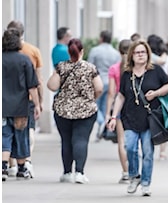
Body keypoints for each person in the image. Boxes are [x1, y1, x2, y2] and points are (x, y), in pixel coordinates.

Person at [107, 40, 168, 196]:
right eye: (137, 52)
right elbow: (121, 96)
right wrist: (113, 116)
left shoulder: (155, 70)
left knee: (148, 152)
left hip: (150, 119)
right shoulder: (126, 74)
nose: (140, 55)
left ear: (148, 54)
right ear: (131, 55)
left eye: (143, 52)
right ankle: (134, 175)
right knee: (130, 147)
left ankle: (145, 183)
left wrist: (156, 93)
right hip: (130, 118)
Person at [47, 38, 103, 184]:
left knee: (66, 140)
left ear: (69, 51)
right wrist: (92, 99)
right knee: (81, 140)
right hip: (86, 110)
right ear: (82, 51)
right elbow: (99, 88)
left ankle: (66, 173)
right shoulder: (90, 68)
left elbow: (52, 86)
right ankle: (79, 172)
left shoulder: (61, 67)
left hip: (63, 110)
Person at [6, 20, 44, 178]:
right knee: (24, 133)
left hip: (4, 103)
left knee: (5, 133)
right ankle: (24, 164)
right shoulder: (29, 55)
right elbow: (35, 82)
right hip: (23, 103)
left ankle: (7, 166)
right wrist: (38, 103)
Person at [147, 34, 168, 160]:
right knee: (164, 121)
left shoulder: (148, 58)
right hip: (166, 91)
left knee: (149, 119)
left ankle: (146, 147)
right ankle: (163, 152)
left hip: (150, 91)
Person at [105, 39, 132, 184]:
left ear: (119, 51)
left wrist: (109, 113)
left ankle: (126, 172)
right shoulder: (135, 68)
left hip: (119, 106)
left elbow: (111, 93)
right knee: (134, 140)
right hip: (134, 106)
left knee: (122, 141)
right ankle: (134, 170)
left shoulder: (114, 69)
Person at [87, 30, 121, 140]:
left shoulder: (95, 51)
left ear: (101, 38)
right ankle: (102, 128)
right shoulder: (115, 53)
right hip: (111, 82)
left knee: (93, 105)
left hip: (98, 81)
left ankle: (101, 122)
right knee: (104, 107)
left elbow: (89, 67)